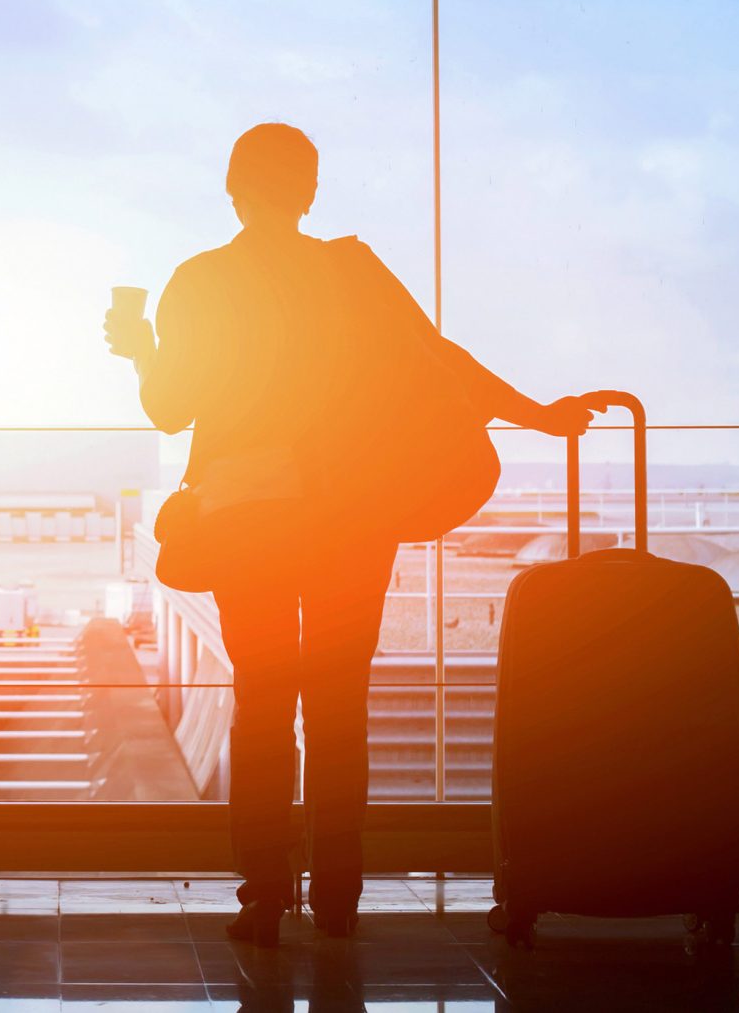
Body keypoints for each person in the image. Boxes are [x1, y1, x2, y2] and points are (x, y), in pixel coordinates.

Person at [104, 122, 590, 946]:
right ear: (311, 191)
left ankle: (263, 896)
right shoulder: (351, 272)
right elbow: (441, 359)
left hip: (249, 520)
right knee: (338, 707)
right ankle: (337, 896)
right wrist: (538, 415)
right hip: (351, 521)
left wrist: (140, 346)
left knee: (263, 704)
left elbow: (169, 408)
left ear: (233, 188)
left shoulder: (202, 280)